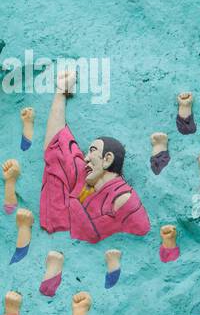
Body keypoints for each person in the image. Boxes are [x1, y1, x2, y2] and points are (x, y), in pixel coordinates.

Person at [40, 70, 150, 244]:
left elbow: (141, 234)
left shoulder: (125, 200)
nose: (85, 158)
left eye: (92, 151)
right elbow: (57, 145)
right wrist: (60, 93)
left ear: (107, 159)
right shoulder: (83, 178)